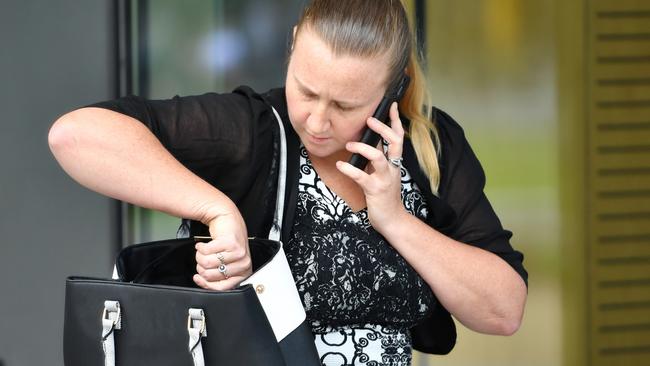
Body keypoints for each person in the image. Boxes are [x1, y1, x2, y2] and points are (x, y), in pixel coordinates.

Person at [49, 0, 528, 364]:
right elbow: (75, 136)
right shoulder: (253, 130)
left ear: (394, 90)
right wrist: (216, 209)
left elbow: (503, 312)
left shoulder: (431, 145)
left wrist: (397, 222)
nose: (317, 121)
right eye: (306, 90)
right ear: (294, 44)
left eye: (345, 105)